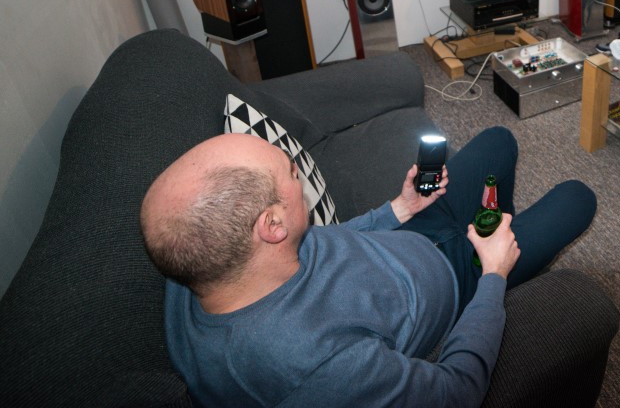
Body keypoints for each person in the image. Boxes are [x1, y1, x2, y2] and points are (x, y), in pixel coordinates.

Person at [140, 127, 596, 407]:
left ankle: (495, 228)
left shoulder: (202, 260)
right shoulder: (317, 367)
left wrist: (399, 209)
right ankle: (505, 260)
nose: (299, 173)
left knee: (499, 140)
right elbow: (457, 392)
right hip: (465, 279)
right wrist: (494, 275)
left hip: (411, 229)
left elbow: (325, 242)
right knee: (579, 198)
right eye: (291, 174)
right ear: (272, 225)